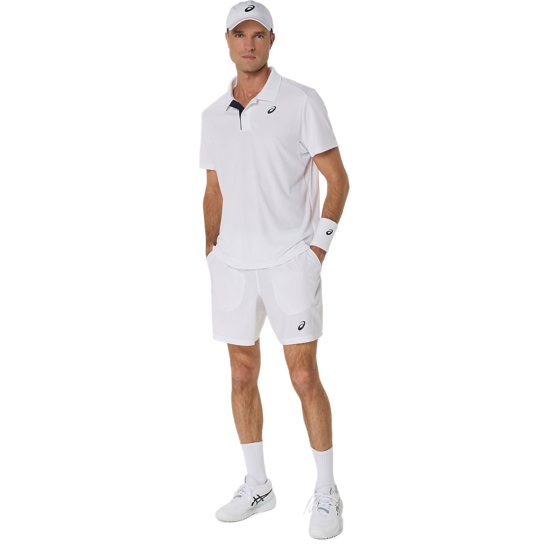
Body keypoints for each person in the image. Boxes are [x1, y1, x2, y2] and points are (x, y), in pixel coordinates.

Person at [197, 0, 351, 540]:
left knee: (303, 375)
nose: (249, 44)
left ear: (272, 40)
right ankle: (258, 483)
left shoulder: (302, 100)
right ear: (226, 41)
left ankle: (327, 489)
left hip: (290, 260)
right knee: (240, 374)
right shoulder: (211, 114)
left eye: (258, 34)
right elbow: (213, 186)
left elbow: (338, 179)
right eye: (239, 34)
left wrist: (317, 252)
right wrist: (210, 249)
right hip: (232, 267)